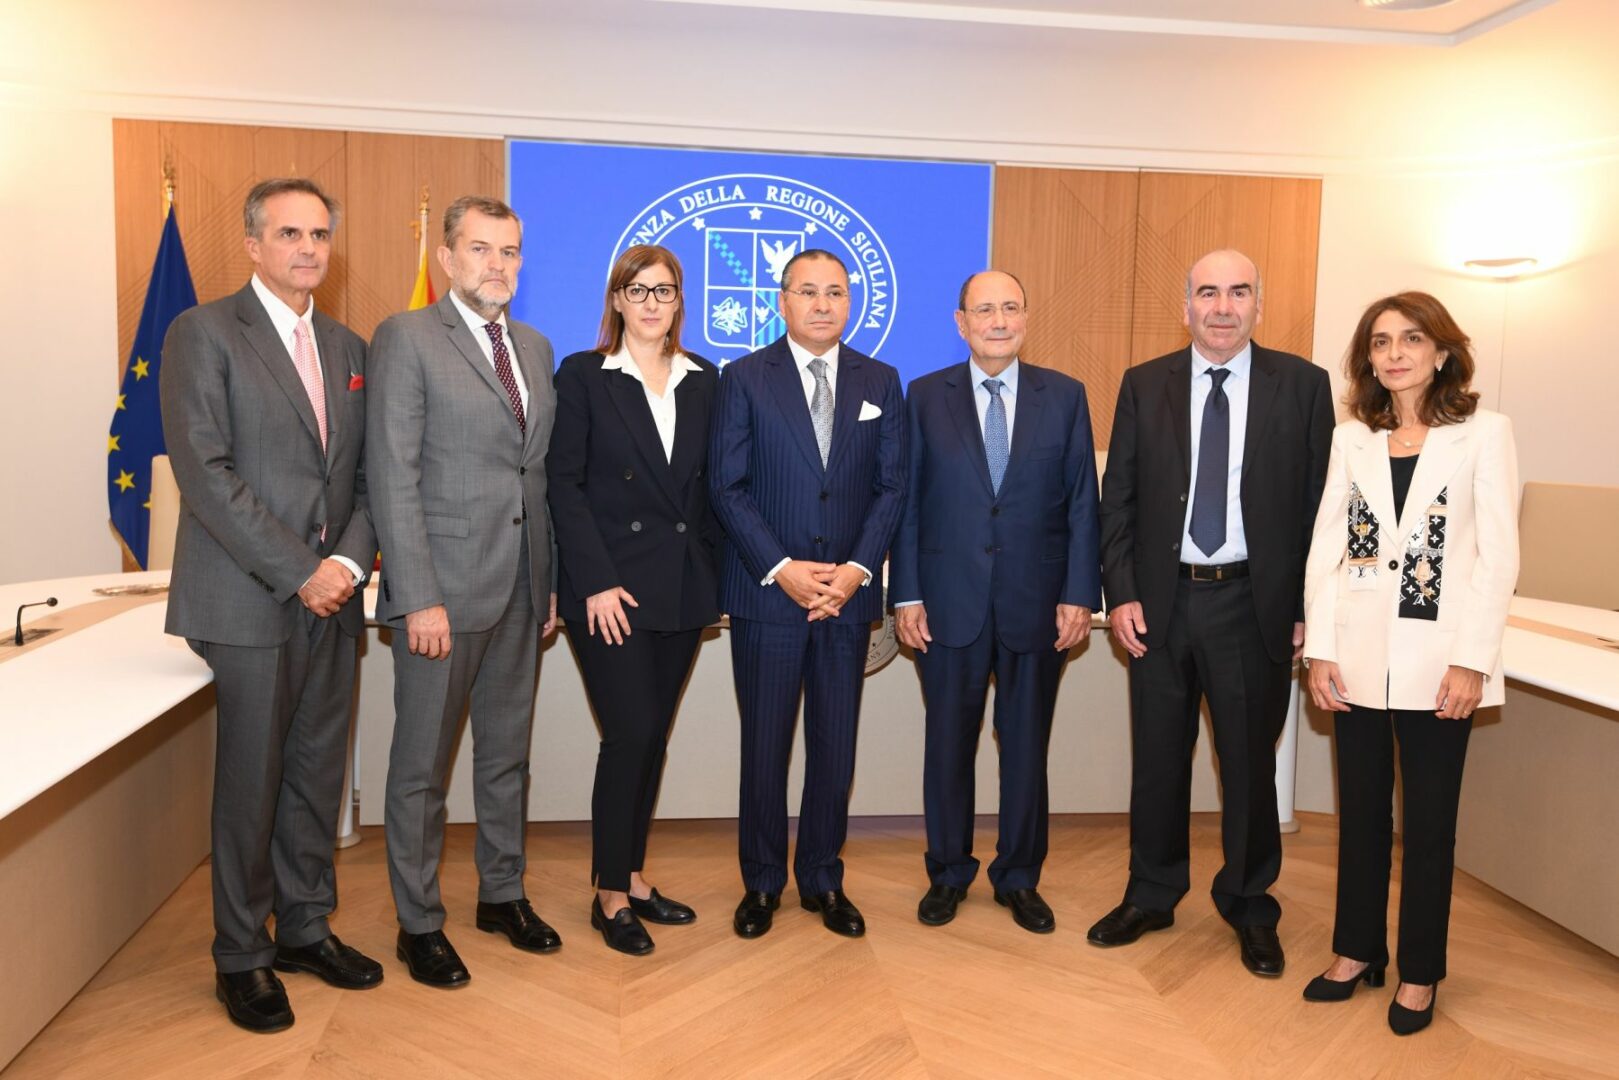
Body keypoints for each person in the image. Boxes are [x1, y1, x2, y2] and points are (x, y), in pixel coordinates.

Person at [161, 177, 381, 1032]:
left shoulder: (349, 345)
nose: (308, 248)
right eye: (289, 233)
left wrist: (347, 564)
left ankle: (305, 929)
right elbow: (205, 474)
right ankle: (241, 957)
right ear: (253, 244)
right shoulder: (204, 331)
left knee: (316, 775)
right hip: (247, 597)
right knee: (250, 784)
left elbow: (365, 479)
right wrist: (302, 571)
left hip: (334, 599)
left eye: (319, 234)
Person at [1090, 249, 1334, 977]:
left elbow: (1319, 509)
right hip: (1160, 604)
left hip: (1253, 605)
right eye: (1207, 293)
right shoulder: (1144, 383)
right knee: (1158, 760)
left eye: (1238, 292)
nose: (1222, 307)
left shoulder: (1303, 385)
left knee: (1249, 766)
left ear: (1258, 303)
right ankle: (1152, 892)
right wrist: (1121, 592)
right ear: (1186, 305)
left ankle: (1250, 904)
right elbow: (1117, 500)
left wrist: (1306, 607)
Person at [1300, 292, 1518, 1035]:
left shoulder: (1484, 434)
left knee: (1428, 827)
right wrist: (1321, 649)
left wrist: (1472, 661)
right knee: (1360, 818)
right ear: (1367, 358)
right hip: (1356, 658)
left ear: (1442, 352)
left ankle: (1420, 972)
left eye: (1412, 339)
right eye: (1380, 341)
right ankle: (1356, 950)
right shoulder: (1352, 439)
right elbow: (1326, 550)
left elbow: (1497, 559)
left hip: (1439, 664)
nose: (1394, 353)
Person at [368, 195, 560, 987]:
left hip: (521, 588)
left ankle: (502, 893)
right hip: (441, 594)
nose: (497, 264)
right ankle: (418, 923)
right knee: (421, 769)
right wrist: (418, 595)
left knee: (506, 760)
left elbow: (533, 478)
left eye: (509, 250)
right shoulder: (407, 337)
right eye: (480, 249)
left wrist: (548, 582)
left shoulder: (536, 347)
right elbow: (392, 473)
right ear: (446, 258)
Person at [891, 270, 1101, 933]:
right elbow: (906, 503)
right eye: (985, 309)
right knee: (947, 745)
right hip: (945, 603)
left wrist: (1079, 594)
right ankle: (947, 872)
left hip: (1037, 606)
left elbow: (1082, 504)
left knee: (1025, 747)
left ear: (1026, 318)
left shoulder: (1064, 396)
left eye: (1011, 307)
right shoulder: (924, 396)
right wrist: (906, 593)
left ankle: (1019, 877)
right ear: (961, 323)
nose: (999, 320)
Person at [709, 248, 907, 939]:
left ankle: (823, 878)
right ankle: (762, 882)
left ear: (849, 302)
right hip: (769, 597)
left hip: (846, 599)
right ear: (782, 301)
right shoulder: (743, 378)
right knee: (764, 746)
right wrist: (782, 568)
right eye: (808, 291)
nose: (822, 304)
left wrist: (856, 570)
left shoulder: (881, 380)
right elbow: (727, 487)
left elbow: (891, 487)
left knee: (834, 747)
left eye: (835, 292)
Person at [546, 245, 720, 955]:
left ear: (680, 301)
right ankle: (609, 894)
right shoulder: (584, 375)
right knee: (630, 734)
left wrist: (717, 578)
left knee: (653, 739)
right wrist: (592, 581)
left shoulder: (705, 379)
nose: (652, 303)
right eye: (638, 290)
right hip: (609, 592)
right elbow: (563, 485)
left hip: (681, 588)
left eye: (665, 290)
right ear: (617, 299)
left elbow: (711, 491)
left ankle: (633, 876)